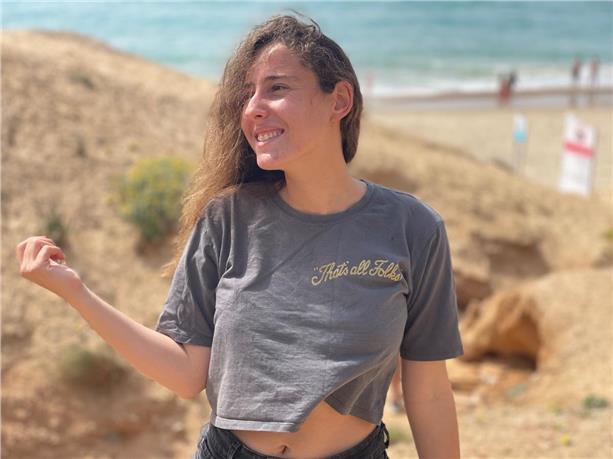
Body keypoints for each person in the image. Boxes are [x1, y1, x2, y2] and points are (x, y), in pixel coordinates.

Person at [16, 14, 464, 459]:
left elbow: (428, 391)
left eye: (277, 88)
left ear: (339, 100)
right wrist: (76, 293)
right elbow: (185, 375)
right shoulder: (226, 219)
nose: (253, 108)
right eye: (247, 94)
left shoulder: (412, 227)